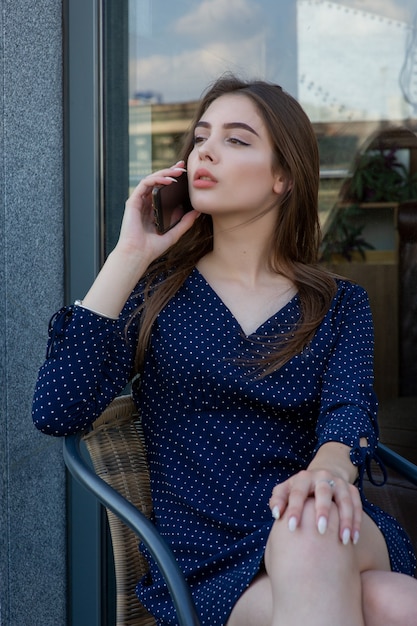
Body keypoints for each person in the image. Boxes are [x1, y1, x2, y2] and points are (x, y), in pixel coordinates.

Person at [33, 74, 417, 626]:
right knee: (396, 606)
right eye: (201, 137)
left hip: (325, 519)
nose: (205, 151)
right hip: (208, 562)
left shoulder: (338, 304)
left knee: (308, 524)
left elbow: (349, 412)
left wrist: (329, 472)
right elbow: (57, 410)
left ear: (283, 176)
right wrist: (129, 253)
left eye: (236, 140)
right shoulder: (156, 291)